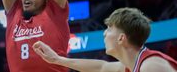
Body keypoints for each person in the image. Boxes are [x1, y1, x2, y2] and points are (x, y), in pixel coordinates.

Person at [33, 7, 177, 72]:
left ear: (121, 38)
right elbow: (100, 67)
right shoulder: (131, 65)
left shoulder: (151, 67)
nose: (104, 34)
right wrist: (57, 59)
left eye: (109, 28)